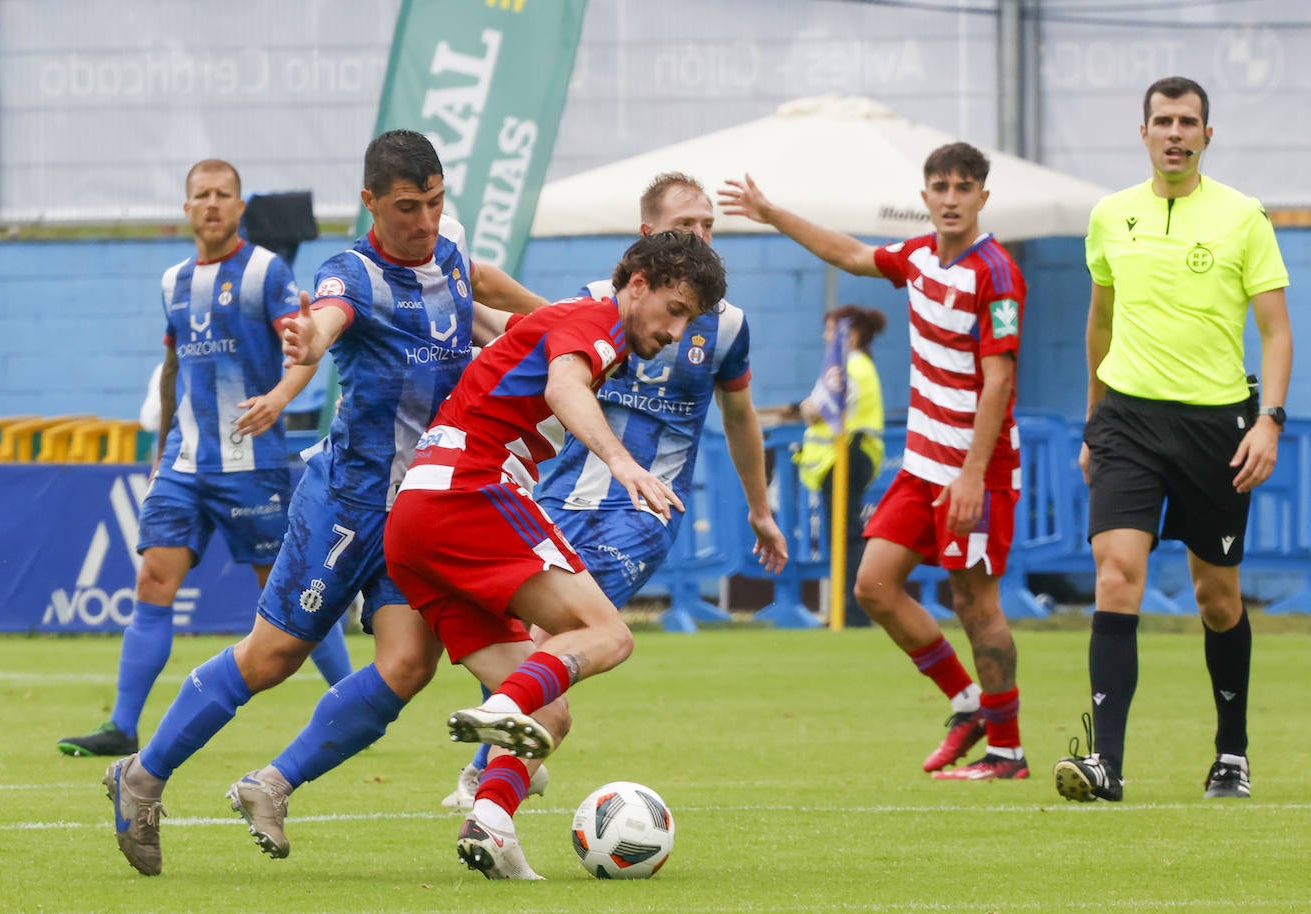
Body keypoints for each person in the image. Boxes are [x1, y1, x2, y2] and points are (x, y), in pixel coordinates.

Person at [101, 130, 546, 876]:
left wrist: (568, 331)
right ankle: (140, 774)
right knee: (272, 657)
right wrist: (311, 339)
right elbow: (331, 312)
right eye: (408, 208)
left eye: (436, 205)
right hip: (345, 503)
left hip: (422, 512)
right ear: (370, 202)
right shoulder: (351, 273)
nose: (425, 222)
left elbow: (490, 312)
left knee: (407, 668)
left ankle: (271, 784)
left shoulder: (453, 264)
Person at [438, 172, 788, 809]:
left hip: (639, 512)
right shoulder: (598, 304)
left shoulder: (728, 326)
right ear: (650, 240)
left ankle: (486, 785)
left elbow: (741, 417)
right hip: (556, 500)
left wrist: (759, 508)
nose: (704, 235)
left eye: (711, 224)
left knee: (553, 639)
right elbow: (519, 322)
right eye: (689, 225)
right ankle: (516, 757)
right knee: (529, 650)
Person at [387, 229, 727, 879]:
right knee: (608, 634)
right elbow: (564, 388)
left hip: (413, 519)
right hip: (470, 489)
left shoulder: (559, 317)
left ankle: (490, 824)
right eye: (676, 310)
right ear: (637, 285)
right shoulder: (598, 323)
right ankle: (500, 708)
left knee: (554, 708)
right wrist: (622, 462)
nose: (676, 333)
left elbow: (490, 302)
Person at [720, 142, 1030, 781]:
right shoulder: (917, 257)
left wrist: (972, 474)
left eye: (963, 187)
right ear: (924, 197)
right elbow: (850, 253)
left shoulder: (996, 272)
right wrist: (772, 213)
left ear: (982, 198)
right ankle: (968, 703)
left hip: (979, 470)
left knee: (976, 602)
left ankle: (1008, 751)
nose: (950, 198)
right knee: (874, 586)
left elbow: (998, 379)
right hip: (922, 466)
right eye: (940, 187)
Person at [58, 159, 353, 759]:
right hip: (184, 464)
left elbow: (304, 348)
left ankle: (353, 698)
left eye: (224, 194)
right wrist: (161, 448)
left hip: (251, 462)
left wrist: (277, 399)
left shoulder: (268, 271)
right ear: (187, 208)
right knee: (153, 577)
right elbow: (173, 369)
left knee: (288, 590)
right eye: (202, 195)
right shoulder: (172, 282)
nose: (213, 204)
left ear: (240, 207)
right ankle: (122, 724)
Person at [1053, 77, 1291, 803]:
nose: (1176, 133)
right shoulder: (1110, 215)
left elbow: (1277, 331)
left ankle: (1232, 753)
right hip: (1127, 418)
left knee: (1216, 597)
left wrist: (1269, 422)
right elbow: (1099, 324)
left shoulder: (1243, 217)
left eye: (1189, 122)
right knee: (1116, 572)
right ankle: (1105, 764)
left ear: (1207, 136)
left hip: (1215, 425)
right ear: (1145, 131)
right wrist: (1095, 421)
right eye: (1164, 121)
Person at [796, 305, 886, 629]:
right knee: (846, 534)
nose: (826, 336)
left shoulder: (848, 365)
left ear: (852, 333)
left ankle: (851, 611)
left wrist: (808, 409)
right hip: (850, 456)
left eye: (831, 329)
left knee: (845, 536)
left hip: (844, 457)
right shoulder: (863, 366)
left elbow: (817, 409)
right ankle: (847, 609)